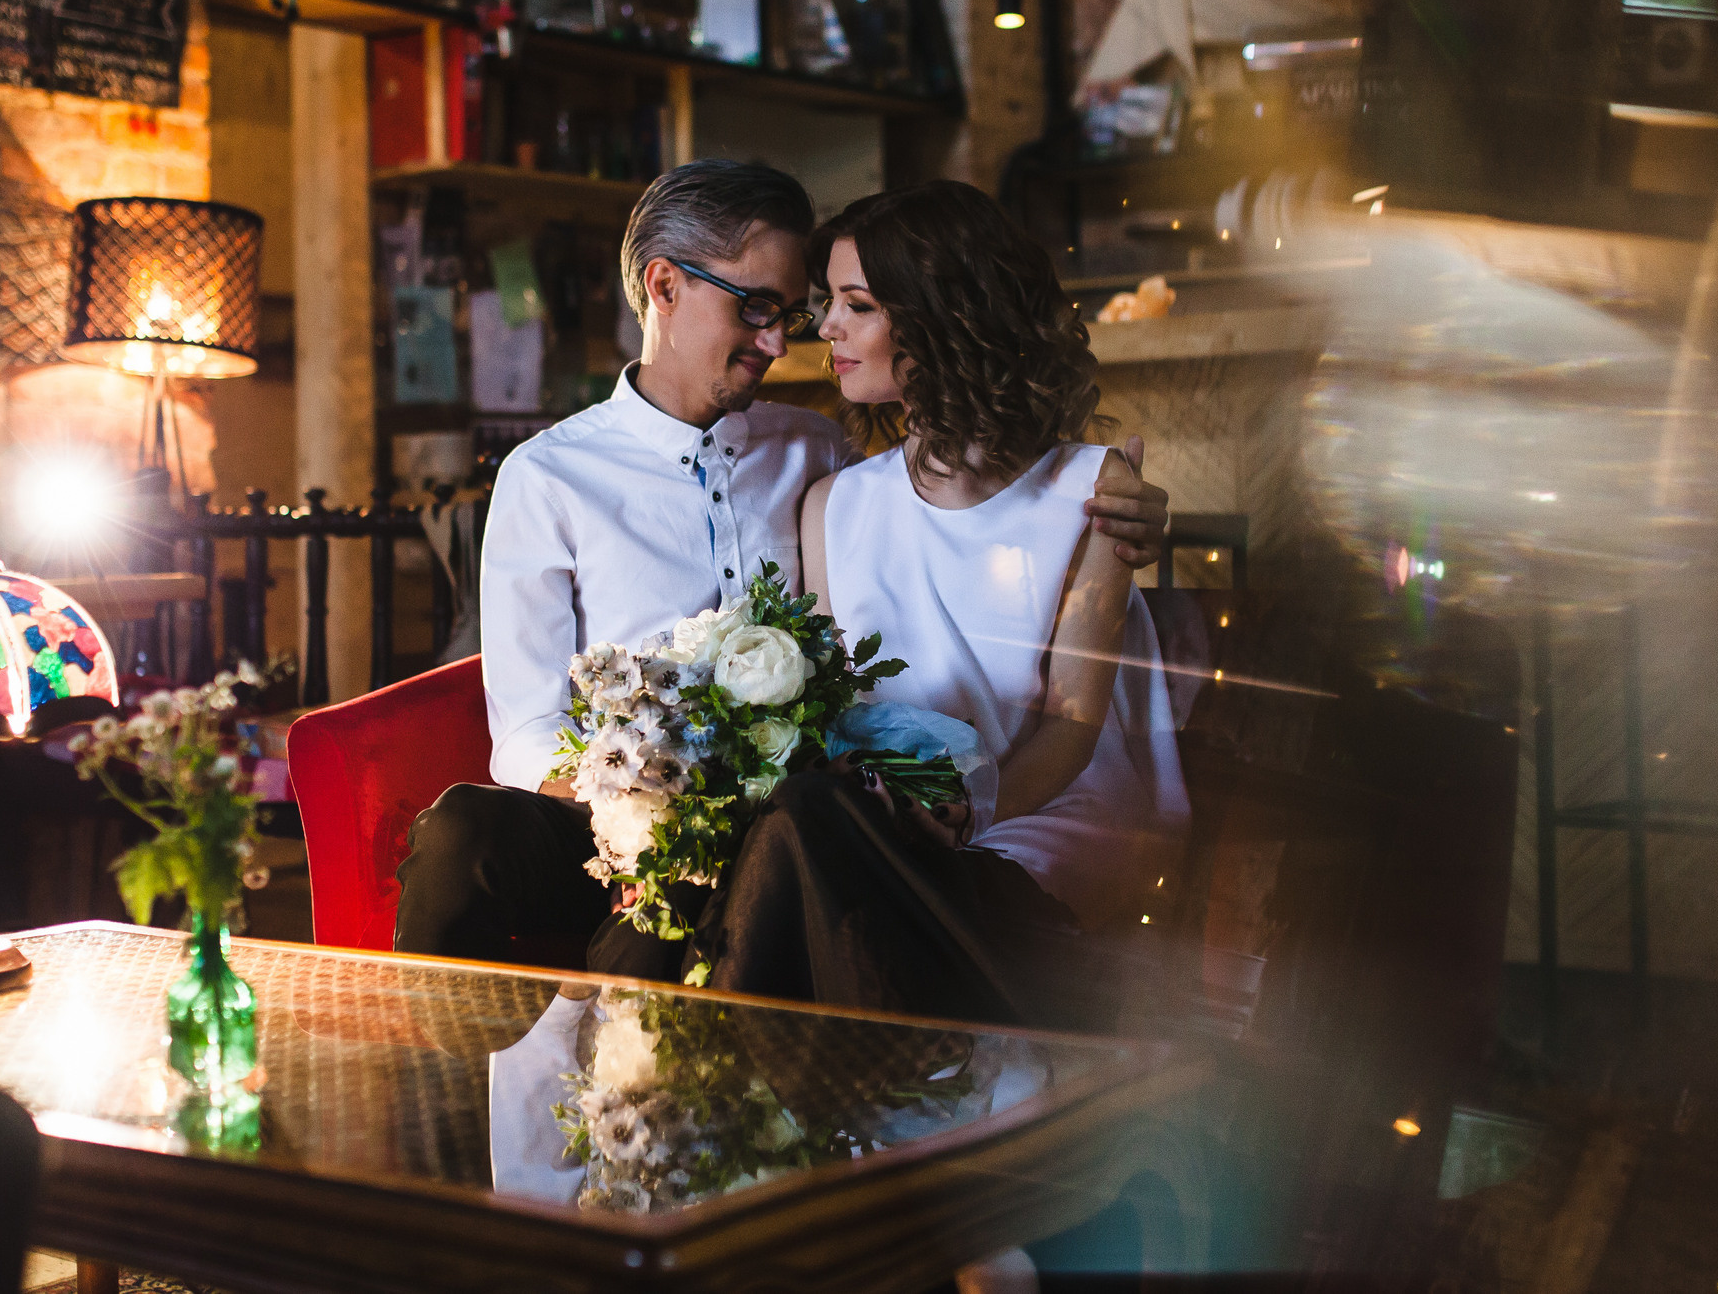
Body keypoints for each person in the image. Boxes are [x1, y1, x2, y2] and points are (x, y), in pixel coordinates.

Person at [392, 161, 1175, 978]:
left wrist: (1125, 517)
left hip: (790, 818)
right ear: (663, 286)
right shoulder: (548, 474)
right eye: (756, 308)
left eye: (794, 314)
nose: (780, 341)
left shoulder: (817, 452)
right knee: (462, 835)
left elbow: (950, 518)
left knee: (771, 850)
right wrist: (643, 810)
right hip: (612, 816)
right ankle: (443, 1097)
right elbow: (524, 732)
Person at [683, 180, 1191, 1032]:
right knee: (808, 834)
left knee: (830, 866)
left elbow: (1071, 725)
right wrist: (893, 812)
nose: (825, 328)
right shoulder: (832, 505)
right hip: (892, 828)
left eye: (855, 304)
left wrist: (964, 813)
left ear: (938, 317)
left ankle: (735, 1080)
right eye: (828, 304)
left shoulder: (1090, 488)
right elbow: (838, 712)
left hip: (1039, 819)